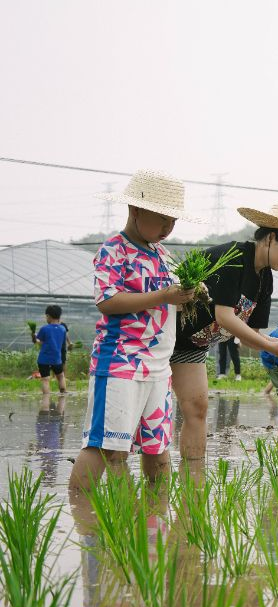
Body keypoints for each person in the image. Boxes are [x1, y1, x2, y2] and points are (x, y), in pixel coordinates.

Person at [69, 171, 201, 492]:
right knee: (105, 446)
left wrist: (186, 298)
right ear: (136, 210)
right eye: (163, 219)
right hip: (120, 364)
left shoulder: (164, 256)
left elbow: (168, 305)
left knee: (157, 450)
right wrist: (165, 296)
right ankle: (81, 515)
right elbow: (107, 300)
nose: (169, 227)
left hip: (158, 368)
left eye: (174, 221)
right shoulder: (113, 250)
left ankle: (155, 523)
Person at [171, 203, 278, 460]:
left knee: (198, 408)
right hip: (160, 335)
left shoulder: (265, 279)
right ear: (270, 238)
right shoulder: (235, 258)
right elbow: (224, 317)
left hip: (191, 346)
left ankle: (194, 481)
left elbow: (251, 332)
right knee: (149, 415)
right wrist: (270, 346)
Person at [33, 304, 70, 395]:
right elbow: (61, 343)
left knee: (45, 379)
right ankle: (63, 394)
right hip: (56, 359)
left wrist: (34, 338)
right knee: (61, 376)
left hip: (44, 359)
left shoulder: (44, 329)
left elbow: (39, 342)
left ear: (48, 316)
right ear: (59, 316)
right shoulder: (62, 329)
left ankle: (46, 401)